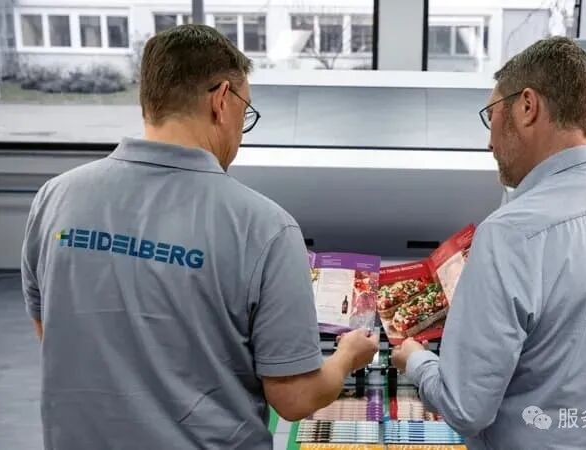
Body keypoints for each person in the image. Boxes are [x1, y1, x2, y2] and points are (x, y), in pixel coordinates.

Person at [21, 24, 379, 450]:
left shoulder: (55, 199)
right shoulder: (264, 226)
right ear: (222, 100)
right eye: (246, 112)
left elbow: (53, 331)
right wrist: (348, 356)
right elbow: (295, 397)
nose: (241, 130)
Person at [392, 36, 586, 449]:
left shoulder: (510, 232)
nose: (489, 141)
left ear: (527, 107)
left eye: (491, 115)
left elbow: (465, 408)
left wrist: (415, 360)